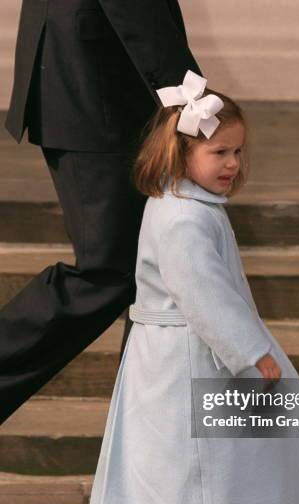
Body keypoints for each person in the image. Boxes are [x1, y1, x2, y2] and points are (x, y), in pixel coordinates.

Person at [87, 70, 299, 504]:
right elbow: (205, 297)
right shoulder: (182, 221)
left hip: (181, 352)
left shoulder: (182, 206)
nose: (233, 165)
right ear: (182, 151)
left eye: (238, 153)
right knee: (200, 467)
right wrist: (254, 354)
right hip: (190, 360)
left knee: (190, 463)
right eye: (220, 152)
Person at [0, 0, 201, 425]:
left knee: (152, 272)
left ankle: (148, 438)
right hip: (96, 96)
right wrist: (195, 105)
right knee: (111, 270)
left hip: (97, 90)